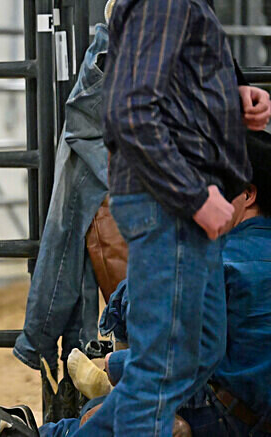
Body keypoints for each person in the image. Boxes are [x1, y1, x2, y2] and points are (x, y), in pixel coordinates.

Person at [73, 0, 271, 435]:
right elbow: (131, 109)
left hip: (176, 196)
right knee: (165, 370)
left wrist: (233, 98)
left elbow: (161, 93)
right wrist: (194, 195)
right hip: (173, 199)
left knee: (192, 354)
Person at [42, 130, 271, 437]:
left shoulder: (220, 262)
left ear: (247, 194)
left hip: (230, 416)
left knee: (85, 421)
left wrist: (115, 364)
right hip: (254, 410)